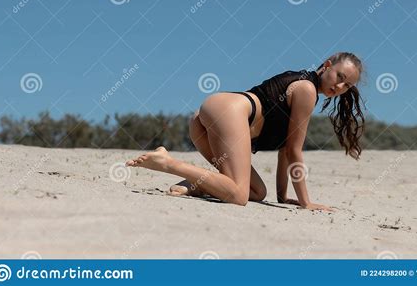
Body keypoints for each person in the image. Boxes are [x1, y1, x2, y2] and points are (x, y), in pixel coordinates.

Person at [126, 52, 365, 211]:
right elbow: (294, 151)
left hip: (206, 118)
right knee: (239, 196)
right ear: (327, 65)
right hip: (229, 111)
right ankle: (166, 162)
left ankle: (194, 184)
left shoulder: (303, 83)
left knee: (257, 192)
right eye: (339, 77)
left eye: (347, 85)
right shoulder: (307, 90)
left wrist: (282, 197)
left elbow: (284, 150)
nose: (340, 86)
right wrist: (306, 203)